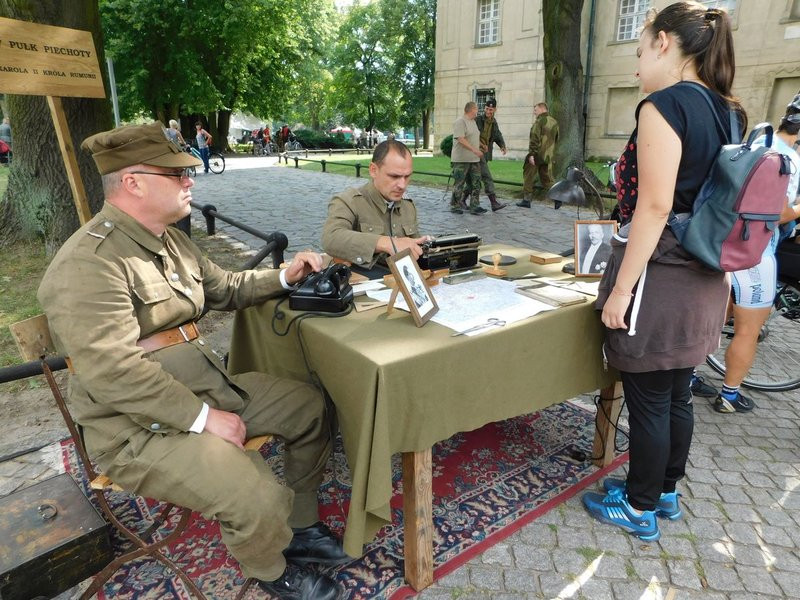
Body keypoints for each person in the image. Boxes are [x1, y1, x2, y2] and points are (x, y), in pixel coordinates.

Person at [37, 122, 346, 600]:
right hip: (135, 428)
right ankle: (271, 571)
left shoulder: (171, 239)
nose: (190, 180)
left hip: (205, 388)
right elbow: (112, 370)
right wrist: (202, 420)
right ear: (133, 181)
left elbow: (224, 288)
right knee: (252, 490)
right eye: (176, 173)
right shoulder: (89, 263)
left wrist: (285, 276)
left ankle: (300, 527)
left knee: (308, 406)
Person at [582, 2, 746, 542]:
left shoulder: (665, 105)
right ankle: (666, 491)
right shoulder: (730, 111)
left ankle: (639, 505)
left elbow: (652, 209)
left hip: (663, 275)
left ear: (664, 43)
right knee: (677, 392)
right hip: (705, 275)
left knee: (650, 395)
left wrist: (620, 292)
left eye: (638, 49)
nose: (636, 66)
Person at [715, 93, 800, 413]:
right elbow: (777, 215)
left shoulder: (758, 143)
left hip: (723, 244)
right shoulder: (789, 160)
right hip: (755, 253)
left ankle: (689, 378)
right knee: (748, 331)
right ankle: (729, 396)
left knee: (714, 318)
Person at [321, 140, 429, 267]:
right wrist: (387, 243)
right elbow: (331, 238)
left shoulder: (407, 206)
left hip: (397, 281)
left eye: (407, 176)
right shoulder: (349, 201)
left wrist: (426, 247)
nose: (402, 185)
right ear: (373, 170)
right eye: (394, 176)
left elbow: (413, 250)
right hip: (360, 281)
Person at [459, 99, 507, 212]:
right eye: (487, 109)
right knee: (487, 176)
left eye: (491, 109)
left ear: (495, 109)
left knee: (476, 178)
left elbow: (497, 135)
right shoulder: (477, 120)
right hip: (475, 152)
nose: (488, 111)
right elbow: (470, 134)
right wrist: (480, 145)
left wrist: (502, 145)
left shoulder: (493, 122)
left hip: (484, 154)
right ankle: (493, 202)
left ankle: (462, 199)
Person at [517, 102, 559, 209]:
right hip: (548, 156)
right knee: (546, 179)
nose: (534, 112)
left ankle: (526, 200)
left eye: (535, 110)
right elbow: (557, 139)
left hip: (537, 155)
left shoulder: (539, 121)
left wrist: (531, 154)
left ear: (541, 109)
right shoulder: (554, 122)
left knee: (528, 175)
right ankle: (558, 197)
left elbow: (534, 138)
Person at [450, 101, 486, 215]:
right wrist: (475, 150)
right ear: (471, 109)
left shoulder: (473, 122)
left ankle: (474, 206)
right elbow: (461, 139)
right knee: (459, 183)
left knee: (476, 183)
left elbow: (473, 137)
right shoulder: (460, 122)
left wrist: (481, 145)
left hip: (474, 159)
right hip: (461, 159)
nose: (478, 111)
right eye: (476, 108)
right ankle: (455, 205)